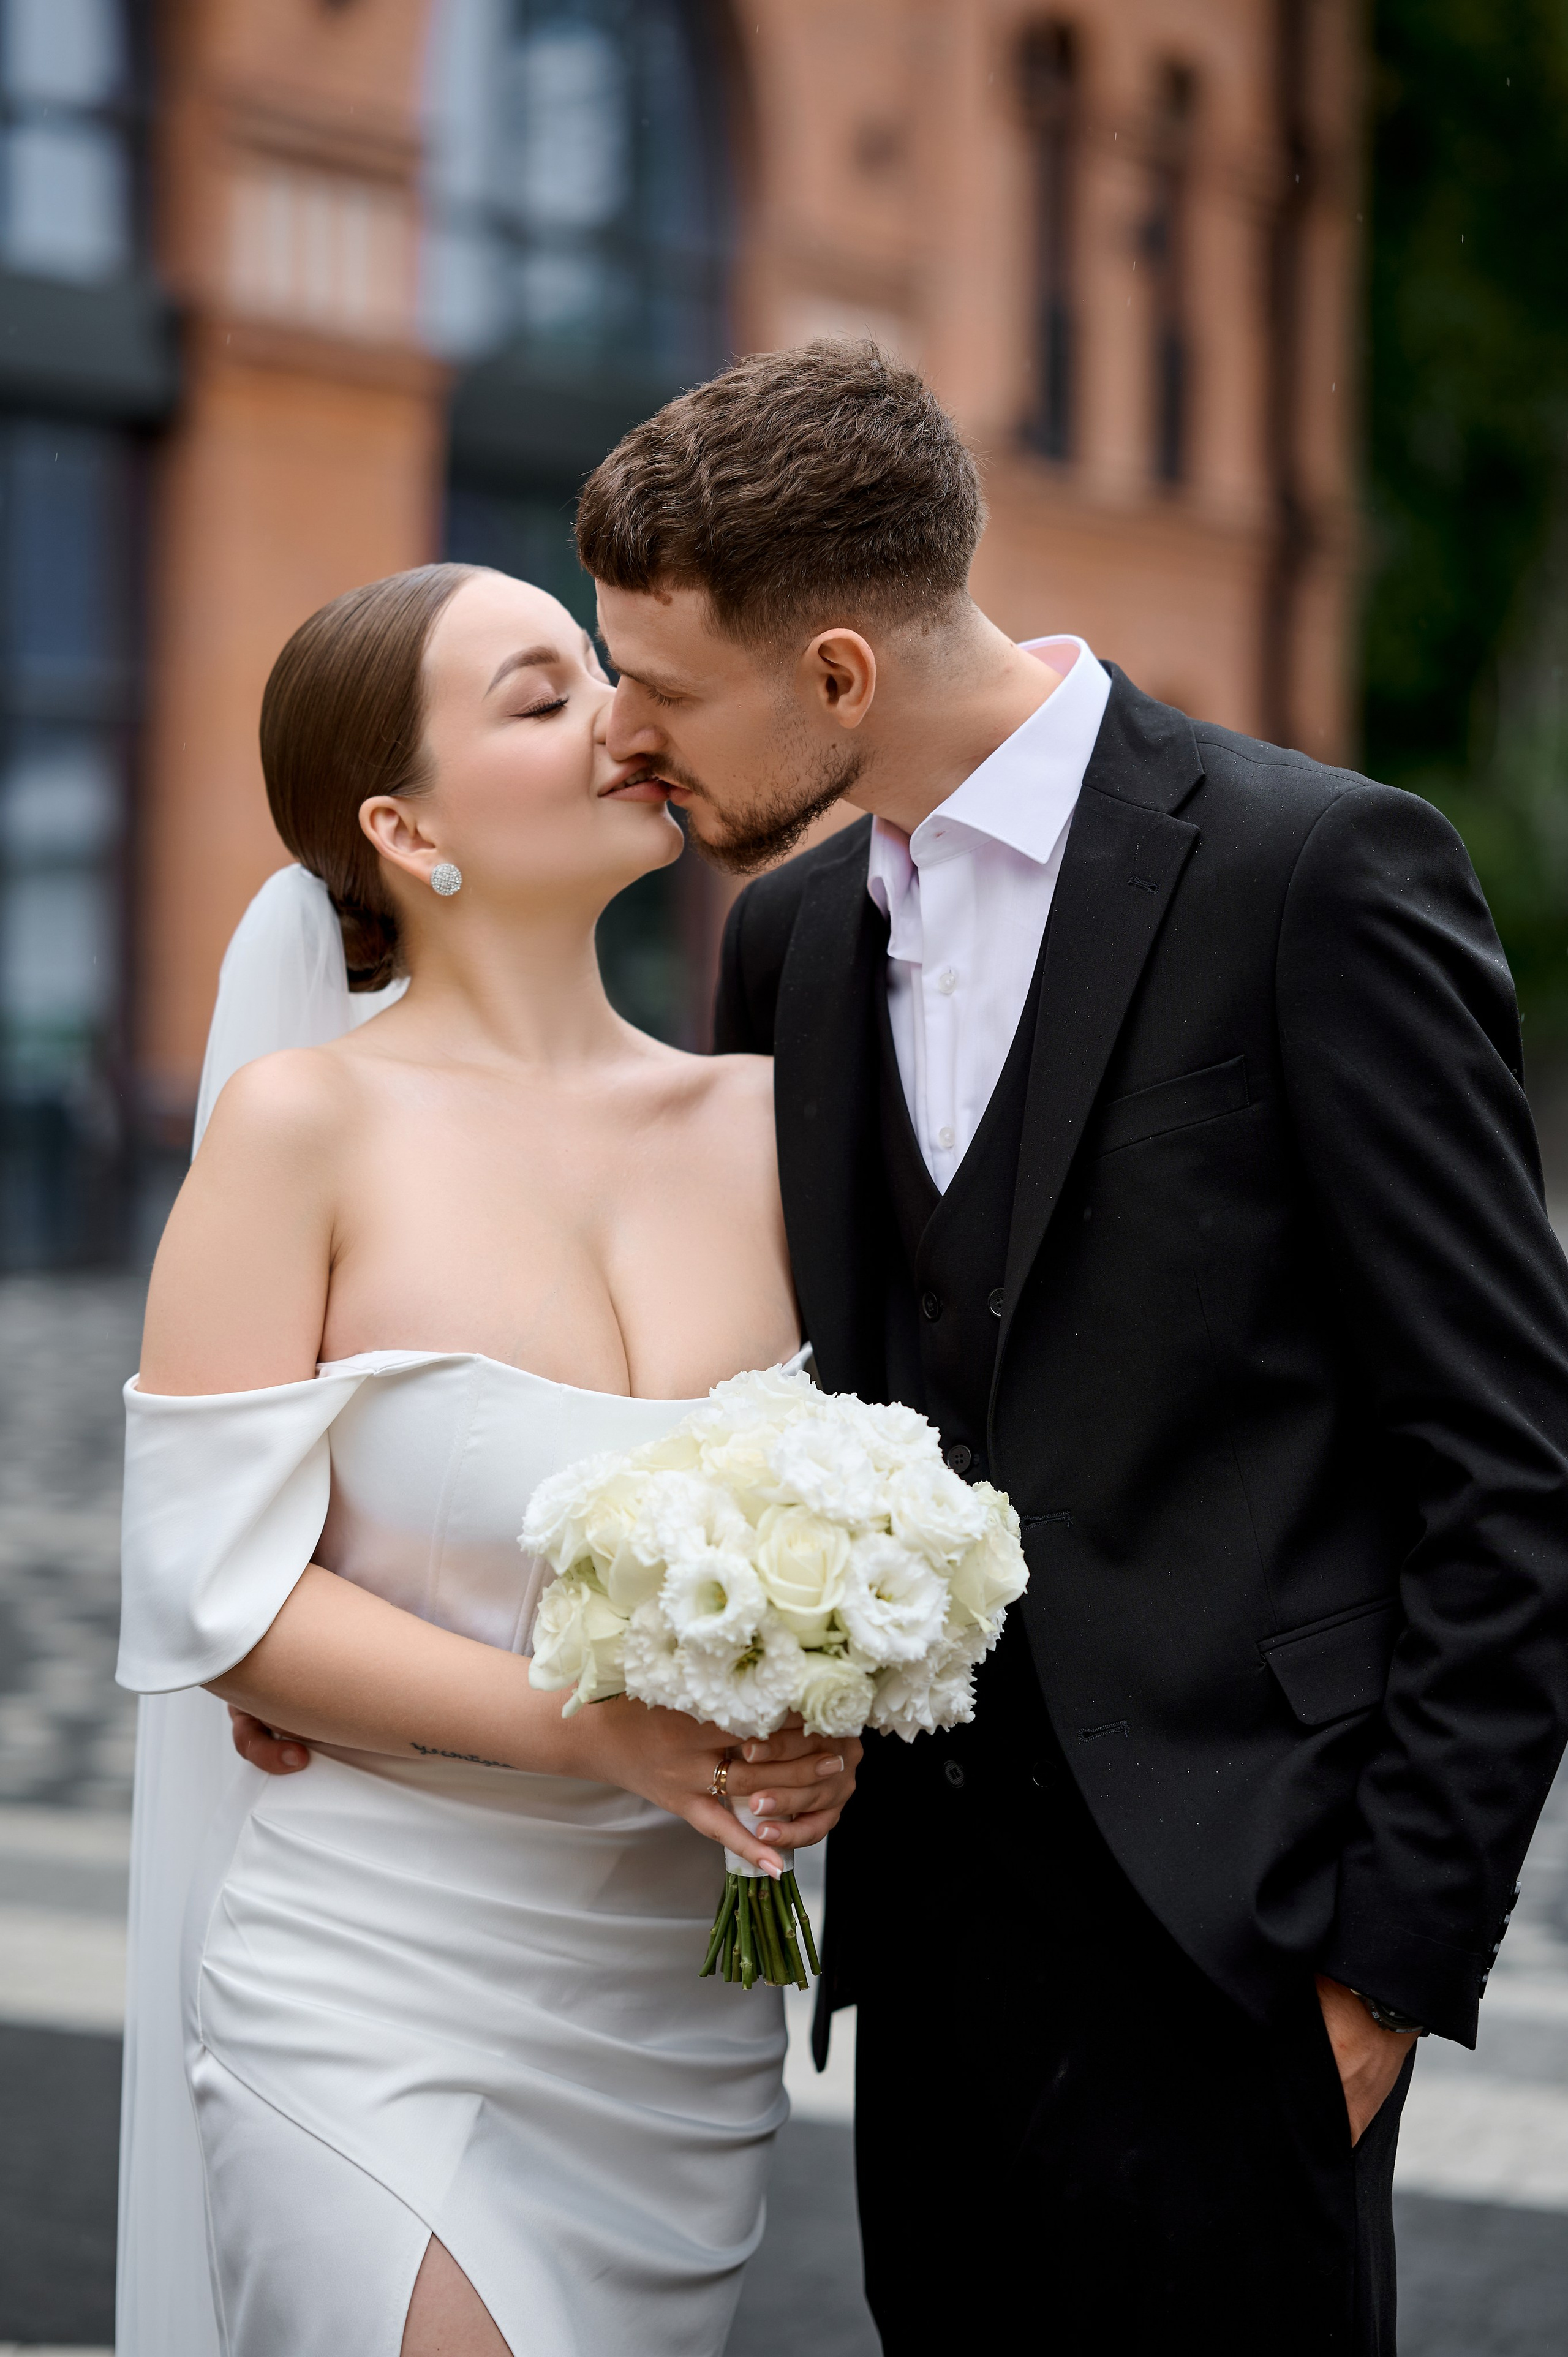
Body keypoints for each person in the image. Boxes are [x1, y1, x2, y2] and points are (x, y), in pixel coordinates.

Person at [567, 339, 1568, 2354]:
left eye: (661, 688)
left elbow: (1512, 1464)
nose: (620, 735)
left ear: (840, 674)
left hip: (1246, 1950)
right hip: (927, 1963)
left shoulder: (1316, 876)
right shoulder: (788, 943)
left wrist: (1385, 1960)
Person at [115, 561, 860, 2357]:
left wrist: (824, 1719)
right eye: (540, 699)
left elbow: (883, 1495)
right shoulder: (305, 1127)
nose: (619, 715)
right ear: (405, 825)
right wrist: (585, 1726)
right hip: (377, 1979)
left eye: (603, 675)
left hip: (669, 2016)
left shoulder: (779, 1122)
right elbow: (213, 1596)